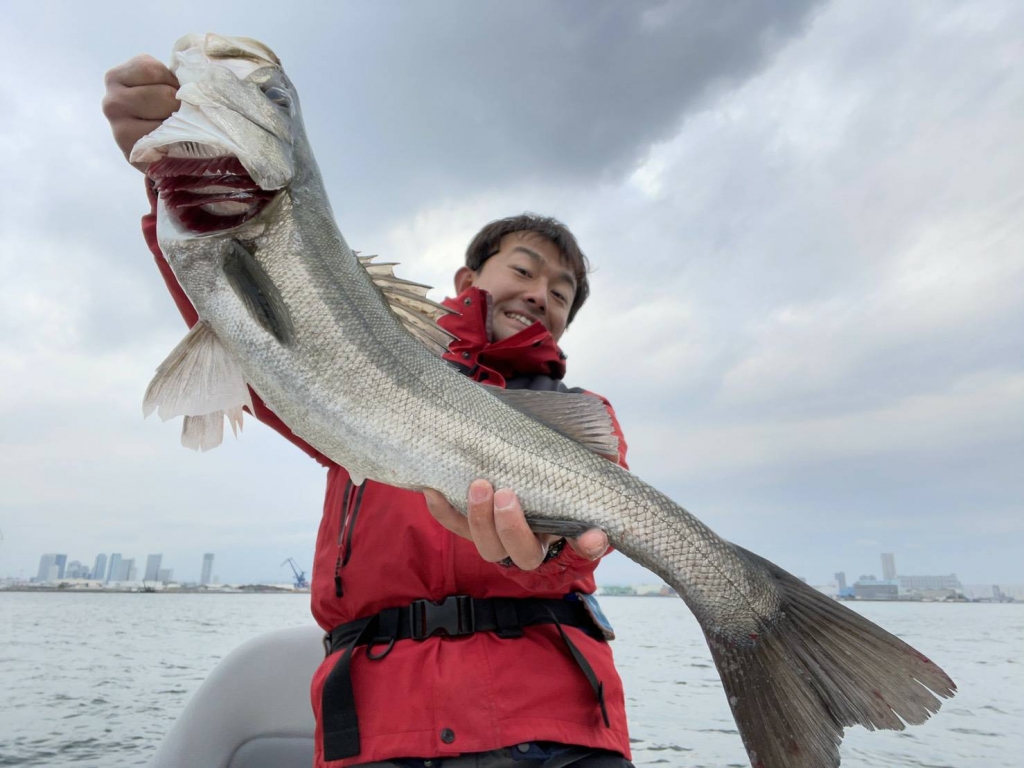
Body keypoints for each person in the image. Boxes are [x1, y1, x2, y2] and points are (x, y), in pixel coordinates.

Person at [103, 54, 635, 768]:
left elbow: (574, 563)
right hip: (380, 731)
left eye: (563, 291)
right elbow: (259, 337)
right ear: (468, 278)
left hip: (555, 729)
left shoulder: (583, 415)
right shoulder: (352, 382)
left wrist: (551, 552)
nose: (541, 293)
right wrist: (173, 176)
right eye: (525, 268)